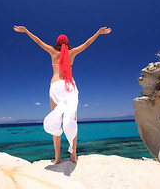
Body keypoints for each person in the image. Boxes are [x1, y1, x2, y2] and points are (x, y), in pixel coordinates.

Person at [13, 25, 112, 163]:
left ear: (58, 42)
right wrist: (98, 33)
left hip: (56, 86)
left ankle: (58, 157)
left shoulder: (52, 51)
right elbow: (87, 43)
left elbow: (38, 41)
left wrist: (26, 31)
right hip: (70, 87)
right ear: (66, 42)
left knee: (56, 121)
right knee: (72, 121)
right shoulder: (72, 53)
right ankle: (73, 155)